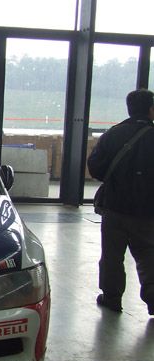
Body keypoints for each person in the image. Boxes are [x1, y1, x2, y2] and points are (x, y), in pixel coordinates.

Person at [87, 89, 154, 316]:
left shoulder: (113, 134)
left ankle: (112, 298)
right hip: (148, 210)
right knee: (148, 254)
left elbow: (95, 167)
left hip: (115, 207)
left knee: (112, 256)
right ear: (150, 109)